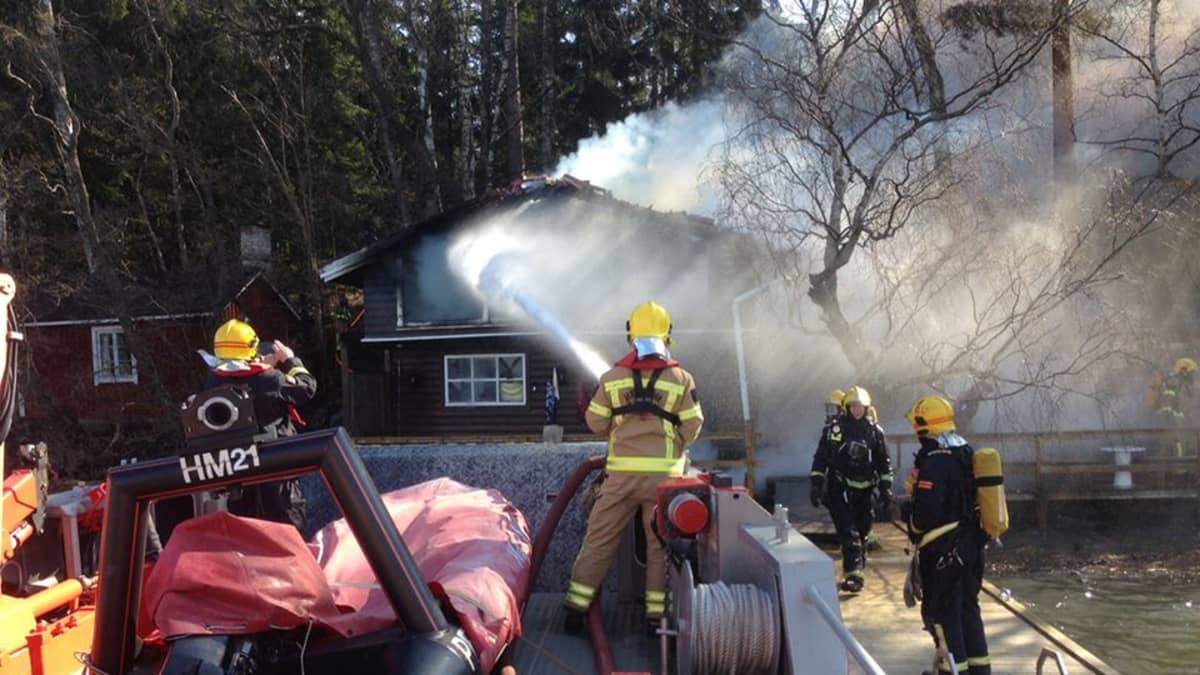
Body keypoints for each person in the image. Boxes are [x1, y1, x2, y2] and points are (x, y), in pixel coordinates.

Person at [563, 301, 703, 634]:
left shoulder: (612, 378)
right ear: (667, 334)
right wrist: (675, 446)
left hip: (620, 479)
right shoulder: (682, 379)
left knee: (598, 541)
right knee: (658, 547)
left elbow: (596, 423)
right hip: (664, 481)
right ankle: (656, 617)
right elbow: (693, 426)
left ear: (631, 335)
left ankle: (575, 610)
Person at [901, 395, 990, 675]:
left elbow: (925, 514)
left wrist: (909, 517)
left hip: (943, 552)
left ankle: (951, 671)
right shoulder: (965, 451)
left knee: (942, 616)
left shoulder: (935, 462)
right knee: (968, 611)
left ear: (923, 424)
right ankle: (980, 671)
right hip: (971, 547)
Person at [206, 319, 317, 531]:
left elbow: (242, 379)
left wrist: (261, 366)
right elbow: (307, 387)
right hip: (277, 473)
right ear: (251, 347)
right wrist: (290, 360)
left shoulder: (214, 382)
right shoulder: (271, 379)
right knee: (288, 538)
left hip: (240, 477)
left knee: (247, 540)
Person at [809, 386, 892, 592]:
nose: (856, 410)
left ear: (867, 408)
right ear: (846, 407)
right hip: (840, 487)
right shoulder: (835, 430)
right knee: (849, 532)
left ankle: (857, 569)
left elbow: (884, 462)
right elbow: (821, 457)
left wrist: (886, 488)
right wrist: (817, 484)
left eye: (860, 406)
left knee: (863, 531)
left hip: (866, 490)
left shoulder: (875, 432)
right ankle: (853, 575)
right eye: (853, 406)